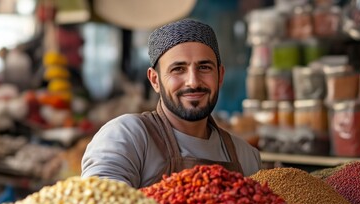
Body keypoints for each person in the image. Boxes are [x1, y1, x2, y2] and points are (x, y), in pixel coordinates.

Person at [81, 18, 262, 188]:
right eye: (178, 69)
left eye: (204, 68)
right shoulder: (127, 137)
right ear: (155, 80)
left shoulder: (245, 155)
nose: (193, 81)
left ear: (220, 75)